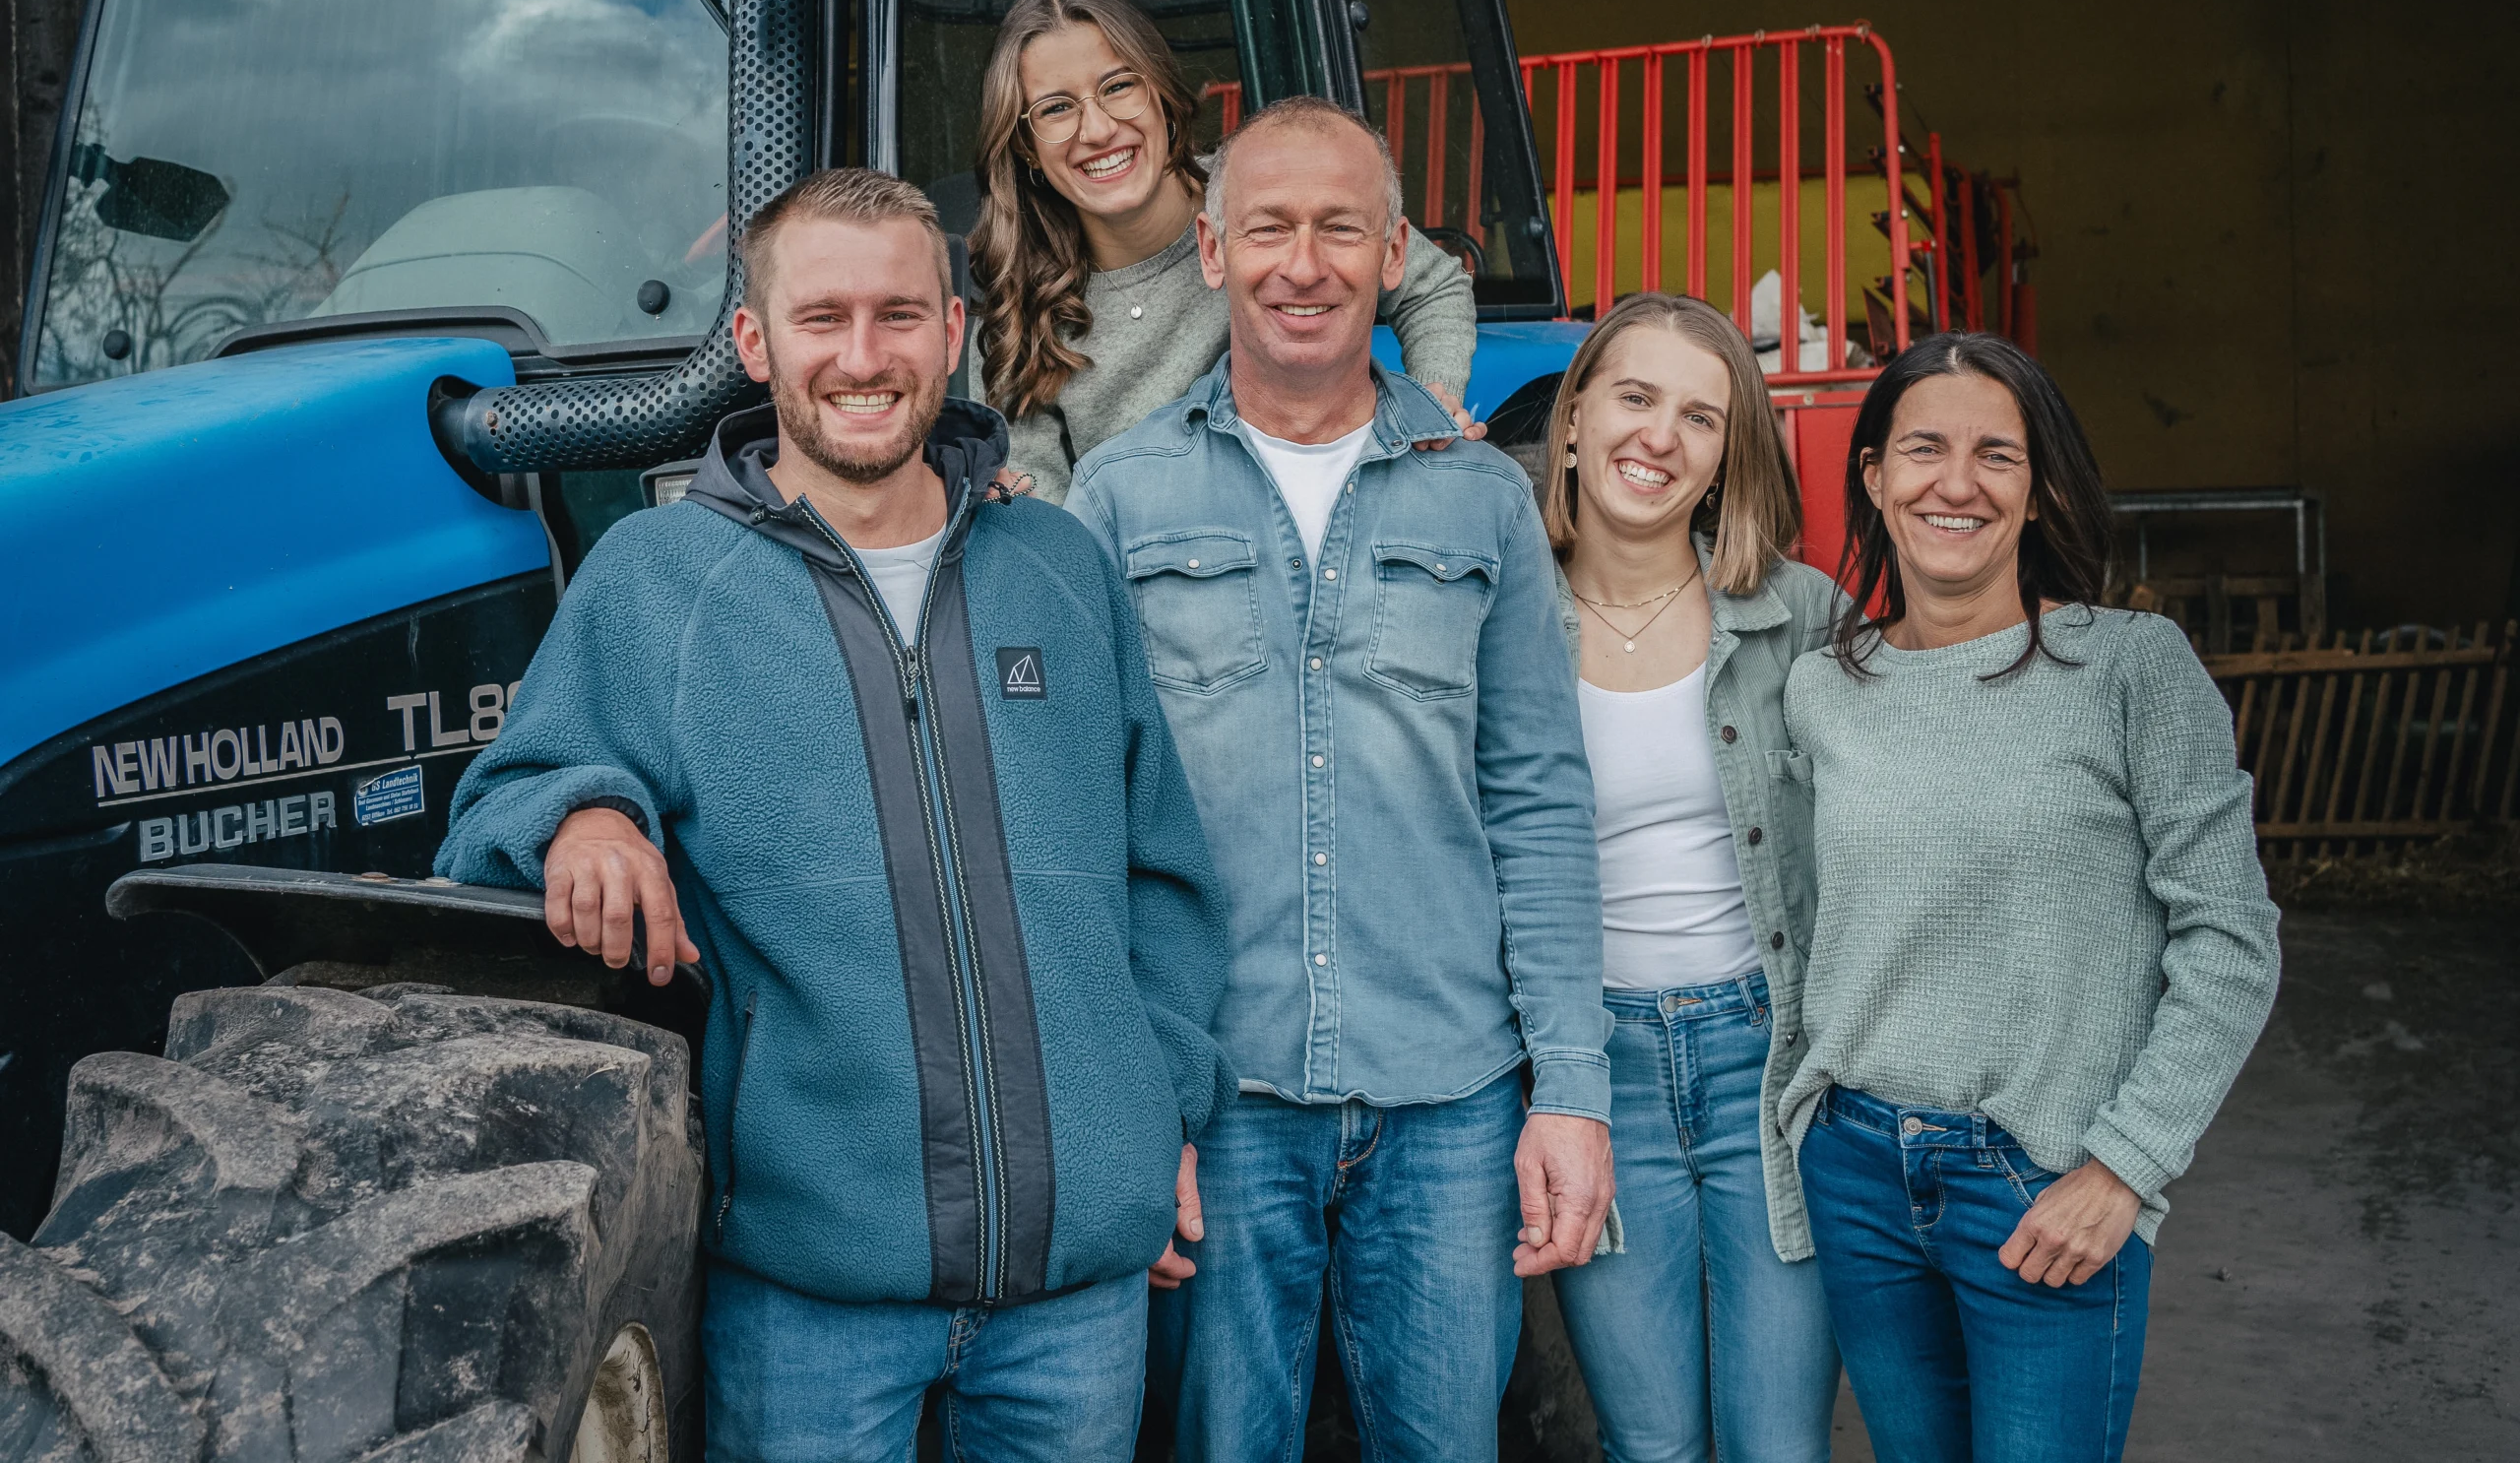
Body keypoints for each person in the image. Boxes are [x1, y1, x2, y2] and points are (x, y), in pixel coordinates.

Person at [436, 167, 1235, 1463]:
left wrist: (1158, 1121)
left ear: (954, 329)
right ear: (755, 343)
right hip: (811, 1298)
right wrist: (586, 815)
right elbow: (500, 802)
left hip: (1075, 1293)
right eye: (822, 319)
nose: (863, 356)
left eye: (899, 315)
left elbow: (1165, 876)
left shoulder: (1061, 566)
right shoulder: (658, 580)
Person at [1066, 95, 1610, 1463]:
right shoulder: (1118, 501)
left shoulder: (1483, 499)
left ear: (1391, 254)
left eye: (1335, 228)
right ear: (1209, 250)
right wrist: (1130, 1105)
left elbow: (1539, 802)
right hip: (1221, 1101)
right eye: (1268, 228)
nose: (1300, 263)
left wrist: (1574, 1090)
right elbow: (1076, 823)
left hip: (1450, 1097)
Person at [1778, 333, 2282, 1463]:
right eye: (1922, 449)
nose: (1954, 484)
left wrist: (2127, 1166)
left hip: (2046, 1180)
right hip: (1856, 1174)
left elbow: (2230, 937)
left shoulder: (2132, 670)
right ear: (1872, 475)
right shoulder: (1822, 689)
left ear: (2041, 484)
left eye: (1995, 455)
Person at [1537, 292, 1844, 1463]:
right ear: (1571, 425)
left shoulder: (1799, 621)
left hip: (1766, 1066)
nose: (1660, 437)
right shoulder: (1495, 623)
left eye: (1699, 417)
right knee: (1652, 1445)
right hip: (1588, 1072)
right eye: (1634, 397)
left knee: (1776, 1447)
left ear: (1725, 458)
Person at [970, 0, 1481, 504]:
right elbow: (1041, 511)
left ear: (1162, 94)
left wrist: (1431, 400)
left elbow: (1433, 284)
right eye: (1056, 107)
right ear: (1026, 144)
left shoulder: (1260, 200)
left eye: (1118, 86)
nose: (1097, 130)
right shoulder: (1015, 303)